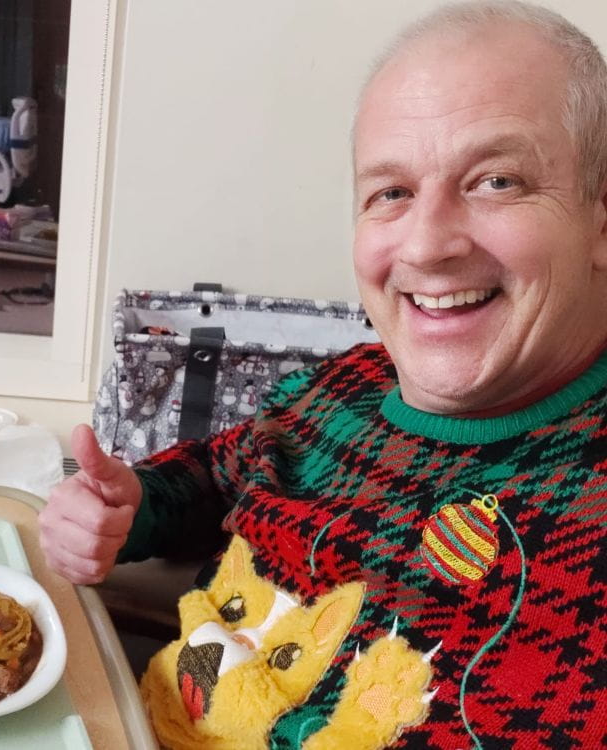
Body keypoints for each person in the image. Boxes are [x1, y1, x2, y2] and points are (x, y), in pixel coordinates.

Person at [38, 2, 607, 748]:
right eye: (391, 193)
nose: (428, 245)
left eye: (496, 180)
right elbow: (222, 470)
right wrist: (132, 506)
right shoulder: (346, 385)